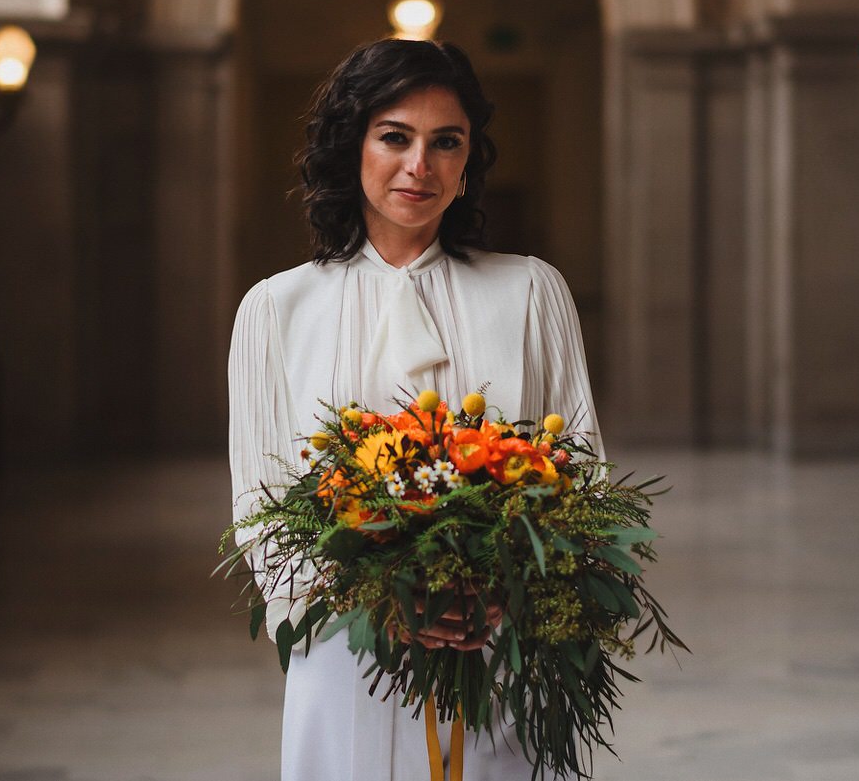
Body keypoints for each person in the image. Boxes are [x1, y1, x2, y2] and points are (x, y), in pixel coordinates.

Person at [227, 38, 604, 781]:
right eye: (395, 136)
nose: (419, 166)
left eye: (446, 142)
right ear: (353, 148)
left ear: (468, 162)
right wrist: (390, 601)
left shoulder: (532, 293)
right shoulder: (275, 310)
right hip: (346, 658)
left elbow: (583, 479)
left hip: (497, 653)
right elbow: (261, 511)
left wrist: (496, 594)